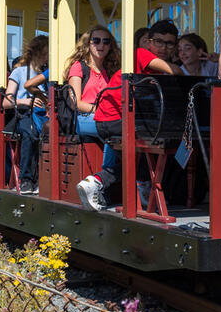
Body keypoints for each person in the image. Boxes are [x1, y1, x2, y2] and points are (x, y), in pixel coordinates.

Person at [76, 20, 178, 211]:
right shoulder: (142, 54)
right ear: (148, 42)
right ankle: (136, 189)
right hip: (114, 119)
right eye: (159, 41)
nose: (163, 47)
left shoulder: (151, 65)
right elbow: (175, 71)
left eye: (169, 43)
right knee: (150, 148)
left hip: (110, 119)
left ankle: (97, 183)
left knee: (134, 156)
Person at [5, 36, 49, 195]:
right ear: (37, 52)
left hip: (44, 115)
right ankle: (26, 179)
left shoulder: (47, 74)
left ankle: (43, 178)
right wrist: (26, 101)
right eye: (45, 53)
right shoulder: (19, 72)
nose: (47, 57)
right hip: (24, 115)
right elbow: (6, 101)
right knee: (29, 134)